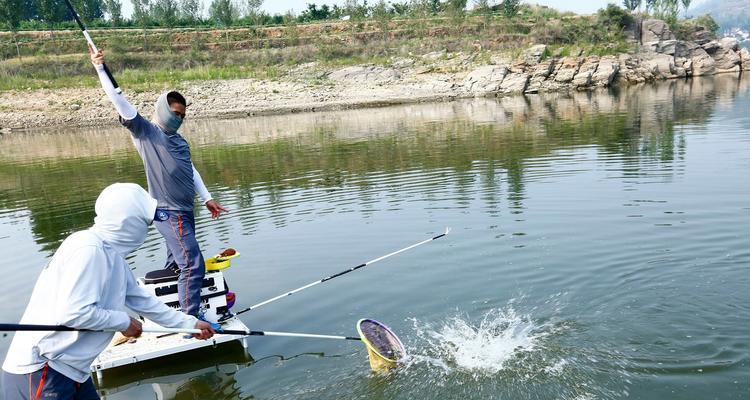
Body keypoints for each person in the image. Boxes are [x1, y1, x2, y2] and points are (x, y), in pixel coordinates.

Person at [2, 183, 216, 400]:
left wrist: (191, 324)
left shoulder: (112, 257)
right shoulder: (88, 249)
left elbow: (143, 301)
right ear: (128, 221)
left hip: (73, 371)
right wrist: (123, 322)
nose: (148, 228)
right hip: (42, 370)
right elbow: (74, 313)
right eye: (145, 222)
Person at [90, 47, 228, 319]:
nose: (179, 118)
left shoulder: (179, 140)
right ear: (164, 110)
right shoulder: (147, 133)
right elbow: (120, 102)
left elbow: (190, 169)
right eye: (176, 113)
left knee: (179, 265)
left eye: (183, 115)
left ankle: (172, 307)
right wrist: (100, 68)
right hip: (169, 212)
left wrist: (207, 198)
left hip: (186, 211)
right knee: (192, 265)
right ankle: (191, 319)